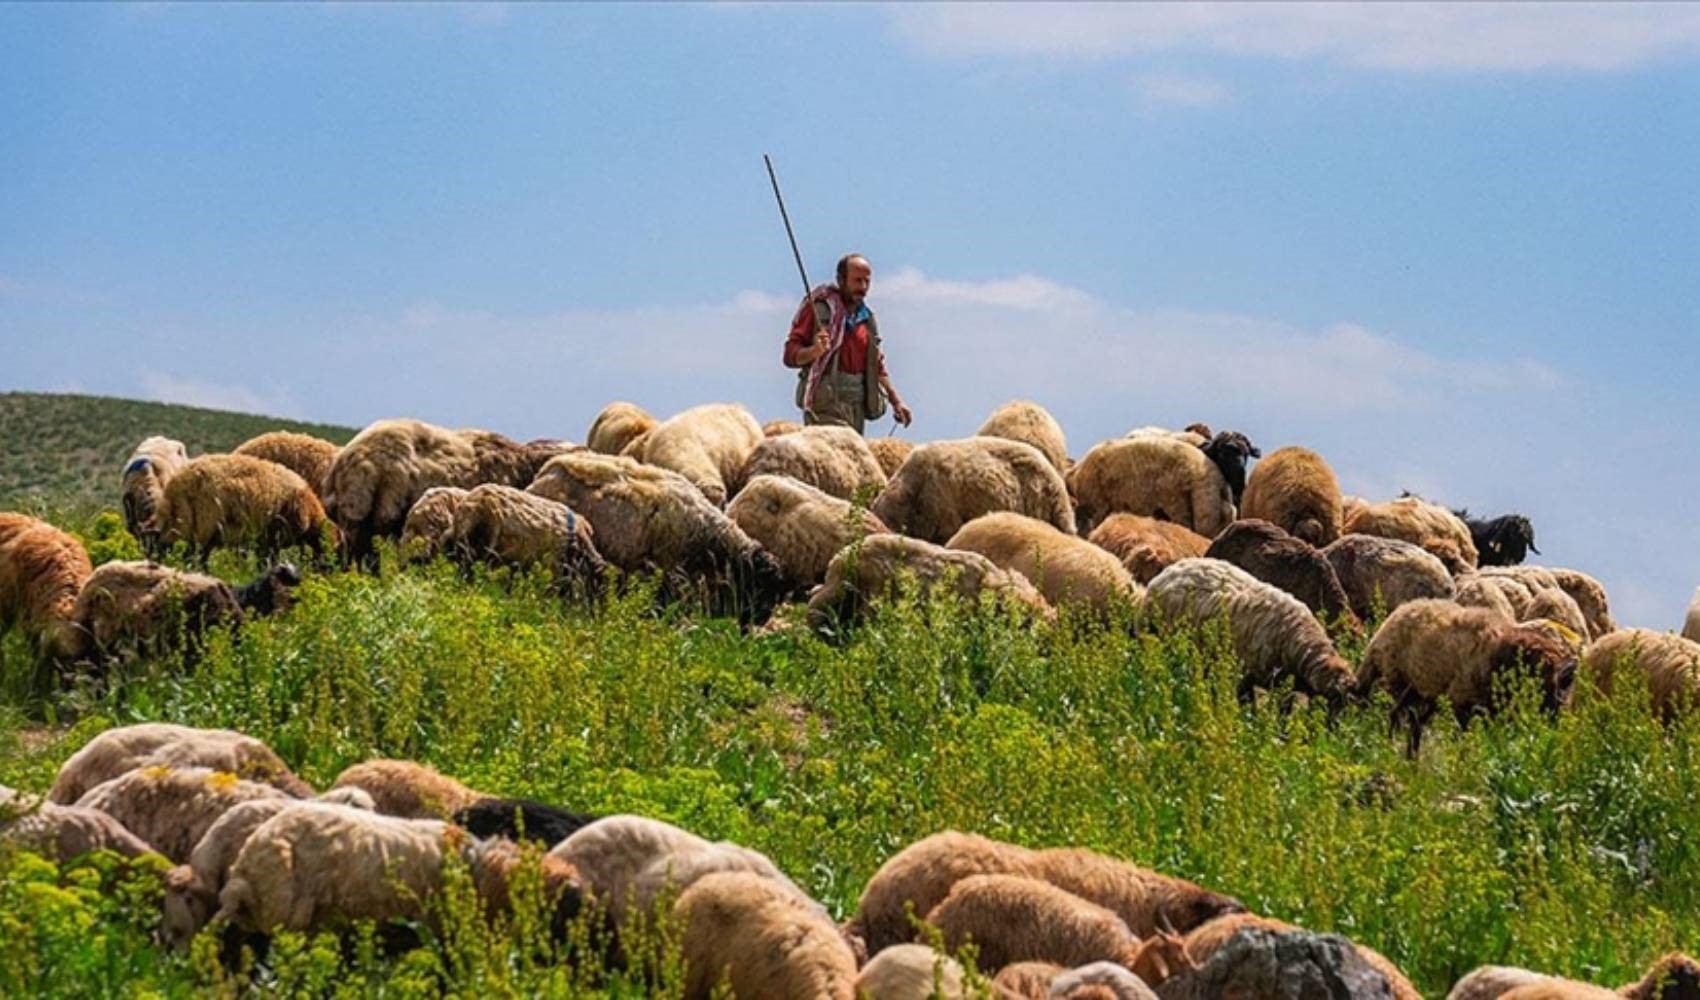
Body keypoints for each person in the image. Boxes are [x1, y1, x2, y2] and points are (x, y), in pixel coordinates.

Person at [783, 253, 913, 433]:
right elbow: (789, 354)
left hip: (856, 407)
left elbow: (876, 366)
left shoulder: (867, 320)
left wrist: (897, 402)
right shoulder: (819, 309)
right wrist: (814, 351)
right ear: (841, 280)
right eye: (857, 281)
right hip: (825, 406)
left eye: (867, 281)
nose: (863, 287)